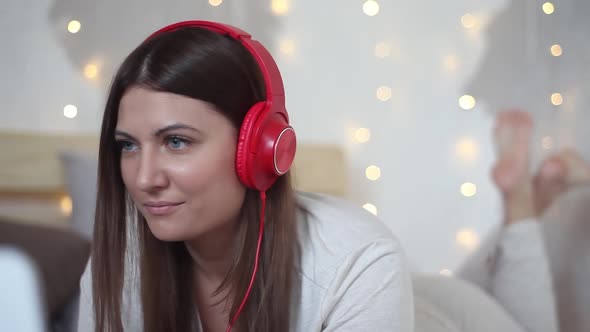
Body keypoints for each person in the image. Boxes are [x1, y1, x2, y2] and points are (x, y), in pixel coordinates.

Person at [76, 20, 414, 332]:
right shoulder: (120, 261)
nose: (144, 179)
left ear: (260, 149)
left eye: (176, 141)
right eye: (128, 145)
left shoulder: (358, 263)